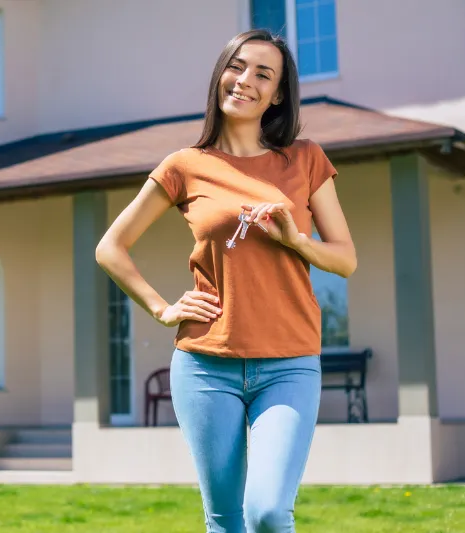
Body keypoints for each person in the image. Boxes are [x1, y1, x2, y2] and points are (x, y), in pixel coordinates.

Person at [95, 29, 357, 533]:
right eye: (237, 67)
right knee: (225, 520)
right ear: (220, 76)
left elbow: (345, 260)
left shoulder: (304, 159)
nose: (246, 80)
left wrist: (298, 241)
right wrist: (162, 308)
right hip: (204, 366)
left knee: (266, 511)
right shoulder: (185, 166)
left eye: (264, 73)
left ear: (278, 94)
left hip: (289, 363)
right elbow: (110, 247)